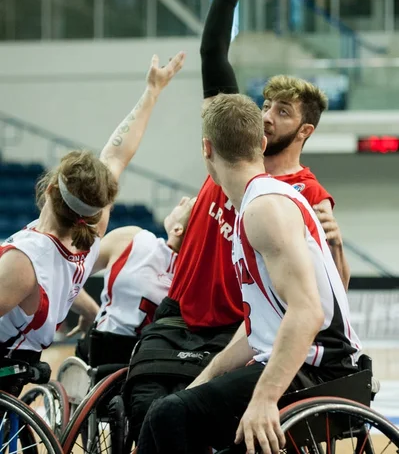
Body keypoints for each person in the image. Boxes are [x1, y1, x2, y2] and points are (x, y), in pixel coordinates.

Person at [124, 0, 348, 440]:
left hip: (264, 340)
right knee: (149, 406)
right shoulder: (241, 166)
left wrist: (265, 397)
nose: (266, 117)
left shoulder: (281, 197)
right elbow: (213, 54)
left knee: (169, 419)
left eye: (280, 111)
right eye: (264, 106)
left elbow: (314, 305)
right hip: (193, 313)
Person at [136, 93, 361, 454]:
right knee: (177, 406)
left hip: (322, 370)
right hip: (305, 361)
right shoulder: (259, 202)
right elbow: (261, 322)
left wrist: (264, 398)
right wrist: (206, 376)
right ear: (260, 143)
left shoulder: (263, 209)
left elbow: (308, 312)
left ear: (206, 149)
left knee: (169, 415)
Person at [0, 51, 184, 393]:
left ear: (52, 187)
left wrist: (152, 90)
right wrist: (152, 92)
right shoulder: (93, 233)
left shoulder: (23, 262)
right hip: (22, 365)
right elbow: (116, 154)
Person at [73, 196, 196, 368]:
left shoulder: (132, 239)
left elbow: (65, 275)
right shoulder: (199, 279)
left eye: (187, 204)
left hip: (101, 352)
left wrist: (90, 312)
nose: (182, 199)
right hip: (152, 365)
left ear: (177, 229)